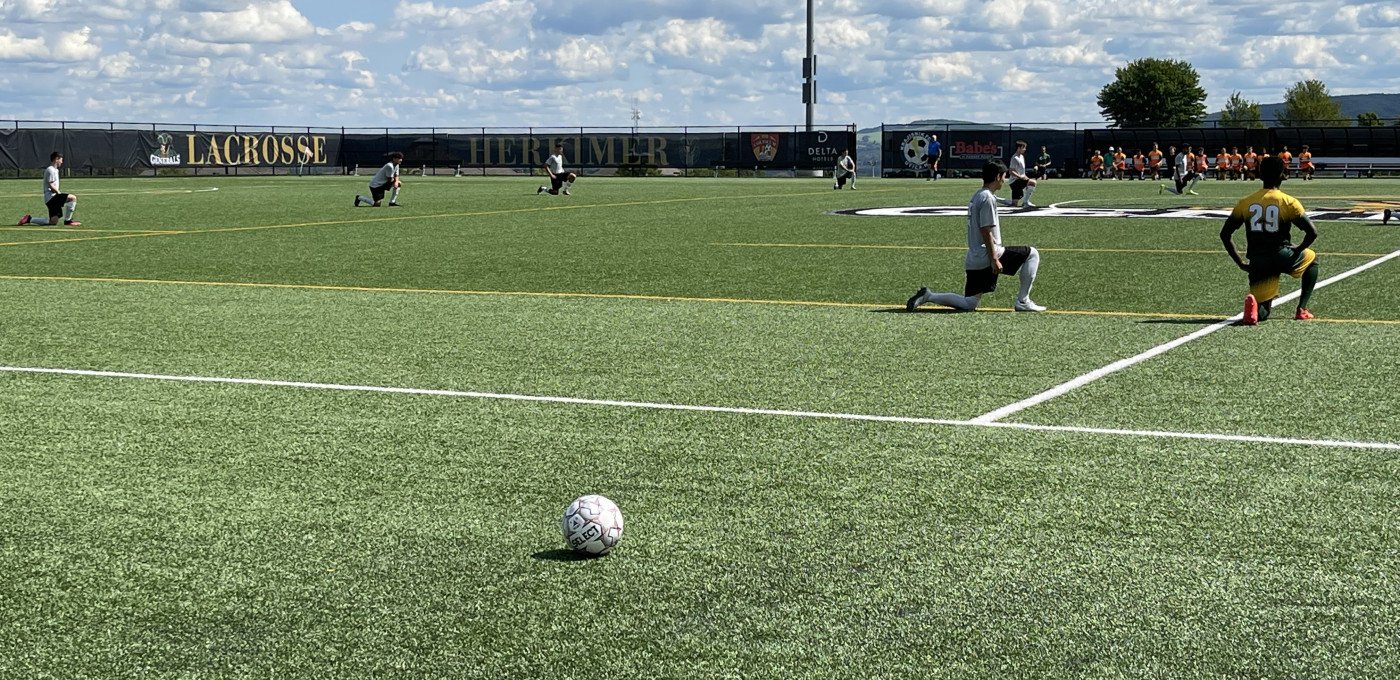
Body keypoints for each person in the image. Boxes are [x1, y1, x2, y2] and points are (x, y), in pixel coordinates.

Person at [905, 159, 1046, 313]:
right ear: (998, 177)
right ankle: (1023, 301)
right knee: (1032, 254)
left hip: (974, 258)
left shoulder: (978, 195)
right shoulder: (987, 198)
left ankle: (929, 296)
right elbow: (985, 230)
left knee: (969, 303)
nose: (1004, 181)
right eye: (1004, 177)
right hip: (987, 256)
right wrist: (994, 259)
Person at [1220, 155, 1319, 325]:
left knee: (1263, 312)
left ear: (1260, 174)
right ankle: (1302, 309)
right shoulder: (1288, 202)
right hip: (1282, 255)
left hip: (1258, 260)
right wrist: (1298, 248)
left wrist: (1240, 262)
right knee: (1313, 260)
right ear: (1283, 174)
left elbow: (1225, 234)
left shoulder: (1245, 202)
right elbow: (1312, 233)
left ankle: (1255, 308)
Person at [17, 151, 80, 226]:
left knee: (53, 221)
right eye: (61, 160)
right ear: (56, 159)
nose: (62, 162)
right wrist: (59, 194)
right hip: (51, 197)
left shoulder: (55, 170)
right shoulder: (51, 170)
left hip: (50, 199)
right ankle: (68, 221)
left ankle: (29, 219)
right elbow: (51, 185)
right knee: (72, 198)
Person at [999, 140, 1037, 207]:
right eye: (1023, 147)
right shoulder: (1014, 158)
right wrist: (1020, 177)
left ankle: (996, 199)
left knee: (1014, 204)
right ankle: (1025, 202)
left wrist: (1025, 178)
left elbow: (1022, 171)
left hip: (1019, 180)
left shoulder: (1021, 157)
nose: (1025, 149)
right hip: (1014, 182)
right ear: (1019, 148)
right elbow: (1011, 171)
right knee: (1033, 182)